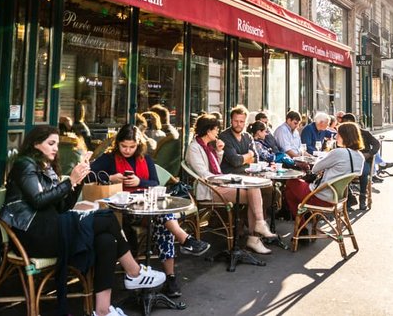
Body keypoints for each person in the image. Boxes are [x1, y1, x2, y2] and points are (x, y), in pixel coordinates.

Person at [0, 125, 164, 316]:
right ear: (36, 144)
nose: (55, 148)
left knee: (106, 240)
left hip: (52, 228)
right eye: (51, 143)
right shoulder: (25, 165)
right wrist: (70, 180)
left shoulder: (47, 167)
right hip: (34, 237)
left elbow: (63, 207)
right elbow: (38, 202)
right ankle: (134, 272)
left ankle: (102, 311)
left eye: (57, 144)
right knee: (107, 217)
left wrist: (78, 181)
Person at [89, 124, 209, 298]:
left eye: (132, 147)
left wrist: (139, 182)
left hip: (145, 210)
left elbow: (154, 183)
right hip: (120, 214)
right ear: (118, 144)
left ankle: (169, 277)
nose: (127, 150)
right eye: (124, 146)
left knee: (162, 223)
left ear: (138, 144)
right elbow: (89, 174)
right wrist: (110, 177)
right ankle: (183, 245)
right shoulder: (109, 159)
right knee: (164, 221)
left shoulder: (145, 159)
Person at [184, 114, 276, 254]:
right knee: (253, 192)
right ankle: (256, 231)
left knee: (253, 189)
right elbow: (205, 175)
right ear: (208, 131)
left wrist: (219, 152)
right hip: (209, 189)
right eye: (215, 129)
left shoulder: (208, 146)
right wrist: (228, 179)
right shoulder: (195, 148)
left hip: (218, 185)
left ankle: (256, 231)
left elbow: (216, 167)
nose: (217, 132)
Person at [285, 122, 365, 218]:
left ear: (345, 136)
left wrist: (322, 159)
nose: (336, 137)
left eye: (338, 134)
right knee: (291, 192)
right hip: (339, 197)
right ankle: (306, 217)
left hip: (321, 197)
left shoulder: (339, 152)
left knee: (291, 183)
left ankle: (301, 223)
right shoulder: (360, 157)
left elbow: (315, 168)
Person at [340, 113, 381, 210]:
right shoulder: (342, 135)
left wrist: (369, 154)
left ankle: (363, 199)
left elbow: (376, 144)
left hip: (363, 160)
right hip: (348, 161)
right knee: (342, 173)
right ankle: (349, 199)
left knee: (363, 172)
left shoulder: (364, 133)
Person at [218, 105, 257, 174]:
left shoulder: (248, 137)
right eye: (236, 121)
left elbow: (256, 159)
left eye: (241, 121)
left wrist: (241, 160)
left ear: (246, 123)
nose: (238, 124)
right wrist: (250, 155)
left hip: (247, 176)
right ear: (231, 121)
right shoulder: (224, 136)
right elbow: (235, 161)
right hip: (229, 177)